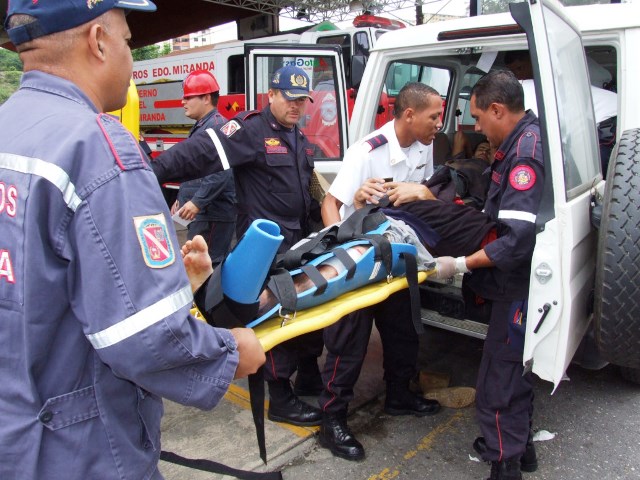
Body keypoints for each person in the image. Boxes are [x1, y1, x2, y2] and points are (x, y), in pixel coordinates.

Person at [0, 1, 266, 479]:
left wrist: (171, 282)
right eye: (127, 40)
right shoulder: (98, 148)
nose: (130, 54)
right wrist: (230, 353)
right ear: (98, 40)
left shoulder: (9, 130)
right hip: (78, 447)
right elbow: (145, 337)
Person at [151, 64, 325, 427]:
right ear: (272, 96)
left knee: (308, 315)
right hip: (267, 250)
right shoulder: (249, 130)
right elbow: (200, 153)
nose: (296, 107)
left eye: (302, 100)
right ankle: (280, 396)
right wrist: (150, 171)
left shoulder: (297, 136)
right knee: (275, 321)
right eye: (289, 99)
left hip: (299, 244)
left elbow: (307, 190)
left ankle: (309, 376)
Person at [318, 82, 443, 461]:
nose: (440, 123)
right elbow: (330, 203)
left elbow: (425, 196)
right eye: (433, 116)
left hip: (399, 254)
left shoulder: (424, 143)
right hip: (360, 256)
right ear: (409, 115)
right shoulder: (367, 151)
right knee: (349, 341)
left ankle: (400, 395)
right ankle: (332, 419)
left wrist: (423, 195)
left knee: (403, 329)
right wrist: (339, 248)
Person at [434, 69, 545, 480]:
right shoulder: (524, 138)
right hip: (517, 282)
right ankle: (523, 449)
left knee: (498, 378)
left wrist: (460, 264)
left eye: (480, 118)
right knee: (513, 368)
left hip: (513, 283)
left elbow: (514, 240)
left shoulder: (524, 153)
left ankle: (505, 464)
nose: (477, 128)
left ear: (498, 109)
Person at [504, 50, 617, 176]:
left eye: (520, 68)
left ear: (532, 62)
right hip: (602, 117)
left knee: (599, 176)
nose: (518, 75)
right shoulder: (549, 80)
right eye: (513, 72)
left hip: (608, 120)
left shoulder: (536, 85)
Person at [170, 70, 236, 266]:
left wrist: (197, 201)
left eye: (188, 97)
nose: (183, 102)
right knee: (199, 263)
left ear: (206, 98)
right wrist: (182, 196)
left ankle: (210, 298)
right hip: (206, 213)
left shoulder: (216, 127)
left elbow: (221, 171)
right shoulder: (205, 125)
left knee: (207, 265)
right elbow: (197, 169)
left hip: (213, 213)